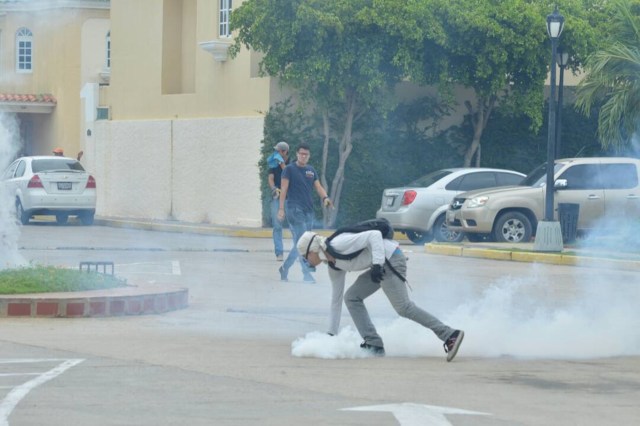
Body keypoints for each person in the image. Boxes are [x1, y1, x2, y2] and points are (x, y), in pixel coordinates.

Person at [296, 228, 464, 361]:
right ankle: (373, 344)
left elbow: (374, 235)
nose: (306, 262)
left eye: (305, 257)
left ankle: (449, 334)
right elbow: (336, 301)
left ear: (312, 250)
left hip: (391, 260)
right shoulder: (333, 266)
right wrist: (331, 335)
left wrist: (376, 264)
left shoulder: (339, 244)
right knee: (351, 297)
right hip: (379, 267)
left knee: (403, 308)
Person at [277, 142, 332, 283]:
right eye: (301, 153)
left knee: (300, 244)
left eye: (306, 154)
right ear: (296, 154)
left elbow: (318, 187)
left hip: (308, 211)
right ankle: (306, 274)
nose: (303, 156)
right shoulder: (289, 169)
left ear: (309, 156)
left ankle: (285, 268)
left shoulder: (311, 171)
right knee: (304, 242)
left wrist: (325, 197)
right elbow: (283, 190)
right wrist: (281, 209)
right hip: (294, 209)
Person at [267, 141, 290, 261]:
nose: (275, 153)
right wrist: (274, 188)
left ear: (284, 152)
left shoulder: (292, 164)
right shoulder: (273, 164)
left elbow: (289, 175)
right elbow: (270, 178)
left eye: (278, 151)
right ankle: (279, 253)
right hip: (277, 199)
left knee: (295, 226)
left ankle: (299, 253)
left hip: (290, 199)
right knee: (277, 226)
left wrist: (282, 164)